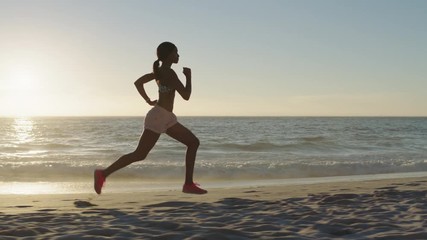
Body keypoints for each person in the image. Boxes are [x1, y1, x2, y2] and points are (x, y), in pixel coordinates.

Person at [94, 42, 207, 195]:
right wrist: (188, 77)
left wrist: (148, 100)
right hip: (159, 117)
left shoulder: (159, 72)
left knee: (192, 143)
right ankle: (103, 174)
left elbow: (138, 83)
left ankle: (188, 184)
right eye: (176, 52)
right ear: (169, 55)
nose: (178, 55)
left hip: (163, 116)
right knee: (139, 154)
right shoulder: (169, 73)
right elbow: (186, 95)